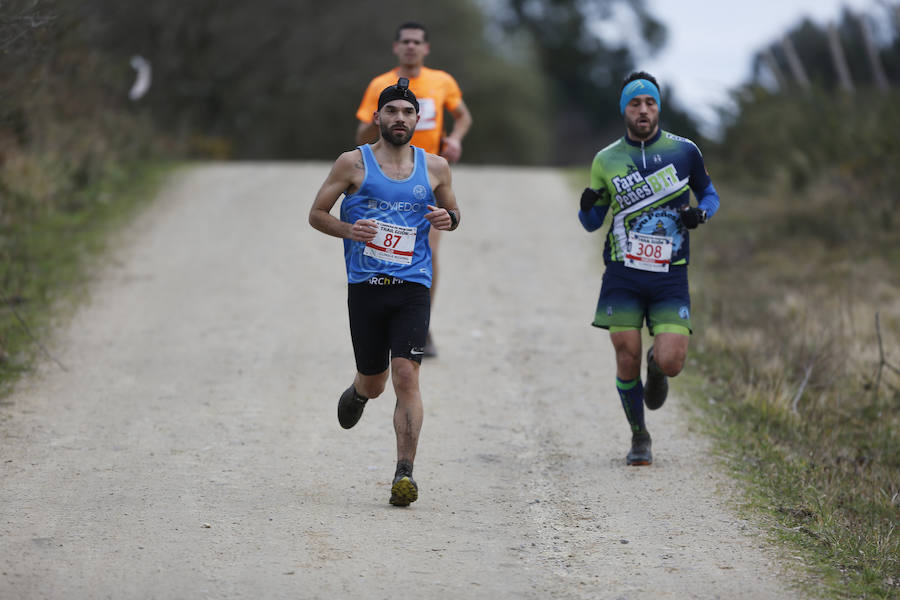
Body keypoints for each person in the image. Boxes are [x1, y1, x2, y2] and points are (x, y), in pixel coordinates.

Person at [310, 79, 461, 506]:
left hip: (413, 285)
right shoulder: (351, 164)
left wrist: (448, 218)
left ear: (418, 119)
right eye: (392, 112)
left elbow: (454, 211)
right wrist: (347, 229)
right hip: (366, 287)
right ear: (377, 118)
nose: (400, 118)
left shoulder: (435, 168)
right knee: (376, 383)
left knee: (407, 375)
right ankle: (360, 391)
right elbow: (316, 214)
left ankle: (404, 474)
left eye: (408, 112)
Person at [578, 72, 720, 466]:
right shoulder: (605, 159)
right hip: (623, 271)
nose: (643, 110)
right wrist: (588, 203)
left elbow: (709, 193)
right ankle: (639, 436)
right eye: (635, 104)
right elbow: (591, 222)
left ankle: (657, 368)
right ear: (624, 109)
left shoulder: (684, 151)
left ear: (658, 107)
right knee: (626, 356)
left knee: (673, 360)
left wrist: (700, 214)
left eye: (650, 103)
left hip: (670, 273)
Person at [355, 21, 472, 358]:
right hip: (386, 179)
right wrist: (377, 122)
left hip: (427, 178)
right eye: (404, 42)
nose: (410, 47)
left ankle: (422, 324)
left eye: (416, 42)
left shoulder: (442, 81)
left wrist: (455, 140)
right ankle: (382, 319)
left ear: (426, 48)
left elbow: (463, 116)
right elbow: (361, 133)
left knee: (427, 252)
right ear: (396, 47)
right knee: (385, 245)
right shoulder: (380, 84)